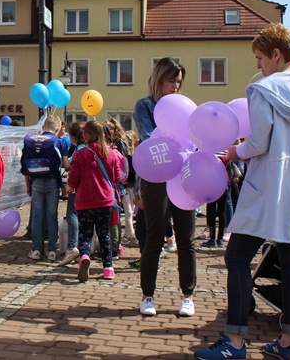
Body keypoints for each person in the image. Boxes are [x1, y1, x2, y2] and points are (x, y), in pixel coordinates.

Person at [194, 23, 290, 360]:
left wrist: (236, 152)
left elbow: (260, 141)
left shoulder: (262, 90)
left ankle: (235, 342)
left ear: (277, 55)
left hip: (268, 184)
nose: (258, 65)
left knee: (236, 257)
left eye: (260, 57)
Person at [134, 57, 197, 318]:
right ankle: (147, 295)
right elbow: (151, 139)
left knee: (186, 239)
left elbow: (194, 139)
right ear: (159, 79)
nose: (175, 86)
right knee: (153, 238)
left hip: (184, 176)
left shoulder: (185, 107)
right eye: (171, 80)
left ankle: (187, 296)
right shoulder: (145, 106)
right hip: (156, 176)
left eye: (179, 82)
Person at [68, 120, 124, 282]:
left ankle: (85, 256)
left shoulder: (79, 154)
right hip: (105, 200)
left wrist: (71, 186)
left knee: (85, 233)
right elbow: (117, 177)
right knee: (104, 233)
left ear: (85, 135)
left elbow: (74, 177)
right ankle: (108, 268)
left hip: (84, 200)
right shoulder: (111, 153)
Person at [21, 115, 69, 261]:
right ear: (58, 128)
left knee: (37, 216)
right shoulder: (60, 142)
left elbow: (25, 168)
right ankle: (52, 251)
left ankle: (35, 250)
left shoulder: (30, 142)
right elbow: (66, 165)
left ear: (43, 127)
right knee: (51, 215)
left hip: (36, 182)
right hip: (53, 182)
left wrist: (28, 187)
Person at [105, 118, 137, 249]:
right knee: (122, 210)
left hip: (124, 182)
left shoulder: (120, 143)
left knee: (126, 210)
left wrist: (123, 178)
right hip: (122, 182)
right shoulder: (114, 143)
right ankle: (127, 235)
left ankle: (130, 235)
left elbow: (123, 163)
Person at [61, 122, 86, 265]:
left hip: (75, 186)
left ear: (74, 137)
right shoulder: (85, 148)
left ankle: (72, 247)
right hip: (84, 186)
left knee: (72, 214)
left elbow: (68, 165)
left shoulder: (78, 149)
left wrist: (64, 155)